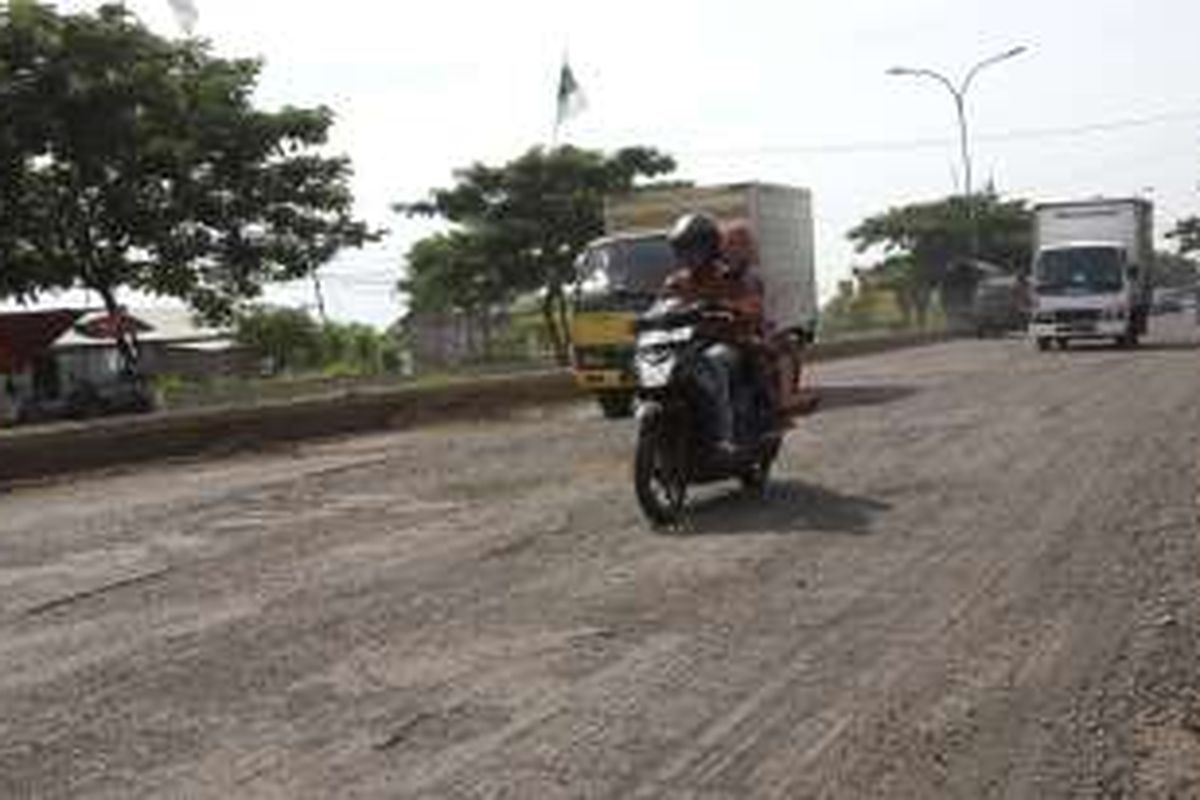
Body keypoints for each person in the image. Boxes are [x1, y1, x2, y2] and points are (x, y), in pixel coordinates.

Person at [661, 213, 764, 458]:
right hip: (690, 344)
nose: (689, 255)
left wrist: (730, 307)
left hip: (729, 342)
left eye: (695, 248)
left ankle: (724, 437)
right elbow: (662, 304)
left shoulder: (731, 276)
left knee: (714, 361)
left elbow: (753, 306)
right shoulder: (677, 281)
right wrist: (644, 319)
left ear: (710, 247)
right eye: (684, 249)